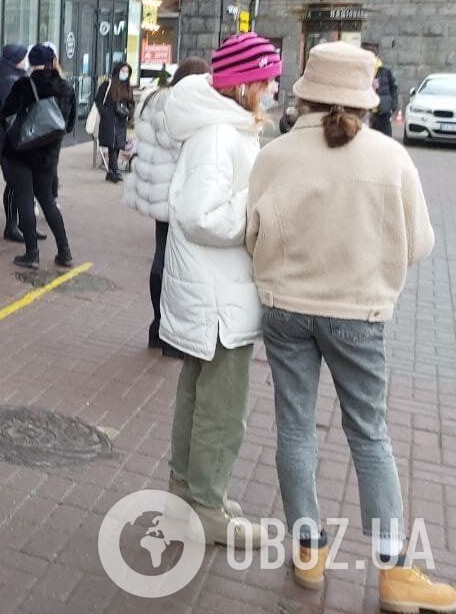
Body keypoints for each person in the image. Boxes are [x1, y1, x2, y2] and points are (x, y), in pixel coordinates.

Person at [245, 41, 452, 606]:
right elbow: (422, 245)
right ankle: (393, 571)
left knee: (294, 427)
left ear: (305, 94)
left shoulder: (275, 155)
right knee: (369, 434)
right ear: (365, 102)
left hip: (286, 309)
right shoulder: (391, 158)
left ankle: (308, 550)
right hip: (359, 315)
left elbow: (250, 235)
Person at [160, 32, 282, 546]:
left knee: (201, 394)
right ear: (246, 83)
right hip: (218, 298)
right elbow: (199, 215)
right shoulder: (219, 135)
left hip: (213, 293)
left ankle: (191, 491)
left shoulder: (223, 127)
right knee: (222, 405)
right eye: (269, 78)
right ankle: (206, 503)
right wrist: (258, 207)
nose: (275, 87)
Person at [122, 58, 210, 359]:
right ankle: (170, 334)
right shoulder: (184, 107)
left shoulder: (154, 100)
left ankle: (157, 328)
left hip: (158, 193)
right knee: (175, 264)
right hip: (179, 193)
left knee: (161, 256)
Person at [0, 44, 76, 270]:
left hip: (21, 152)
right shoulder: (66, 88)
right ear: (52, 61)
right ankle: (65, 252)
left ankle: (32, 254)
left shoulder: (24, 85)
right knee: (48, 201)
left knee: (24, 197)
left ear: (30, 62)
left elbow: (6, 114)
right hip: (48, 156)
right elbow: (69, 125)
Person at [0, 43, 29, 242]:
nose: (26, 60)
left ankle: (24, 224)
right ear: (15, 58)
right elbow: (11, 112)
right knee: (15, 182)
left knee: (20, 182)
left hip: (18, 136)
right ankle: (11, 226)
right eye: (24, 56)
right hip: (9, 137)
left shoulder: (17, 76)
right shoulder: (8, 79)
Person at [95, 61, 135, 182]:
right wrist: (105, 113)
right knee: (112, 144)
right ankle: (115, 170)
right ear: (117, 71)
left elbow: (131, 102)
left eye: (127, 71)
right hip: (110, 118)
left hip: (122, 119)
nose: (125, 73)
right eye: (123, 71)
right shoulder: (108, 84)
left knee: (117, 145)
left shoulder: (128, 87)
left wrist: (129, 114)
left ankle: (111, 171)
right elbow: (98, 100)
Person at [362, 42, 397, 137]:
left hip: (383, 113)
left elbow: (393, 88)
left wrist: (392, 105)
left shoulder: (385, 71)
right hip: (365, 113)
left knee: (386, 142)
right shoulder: (361, 71)